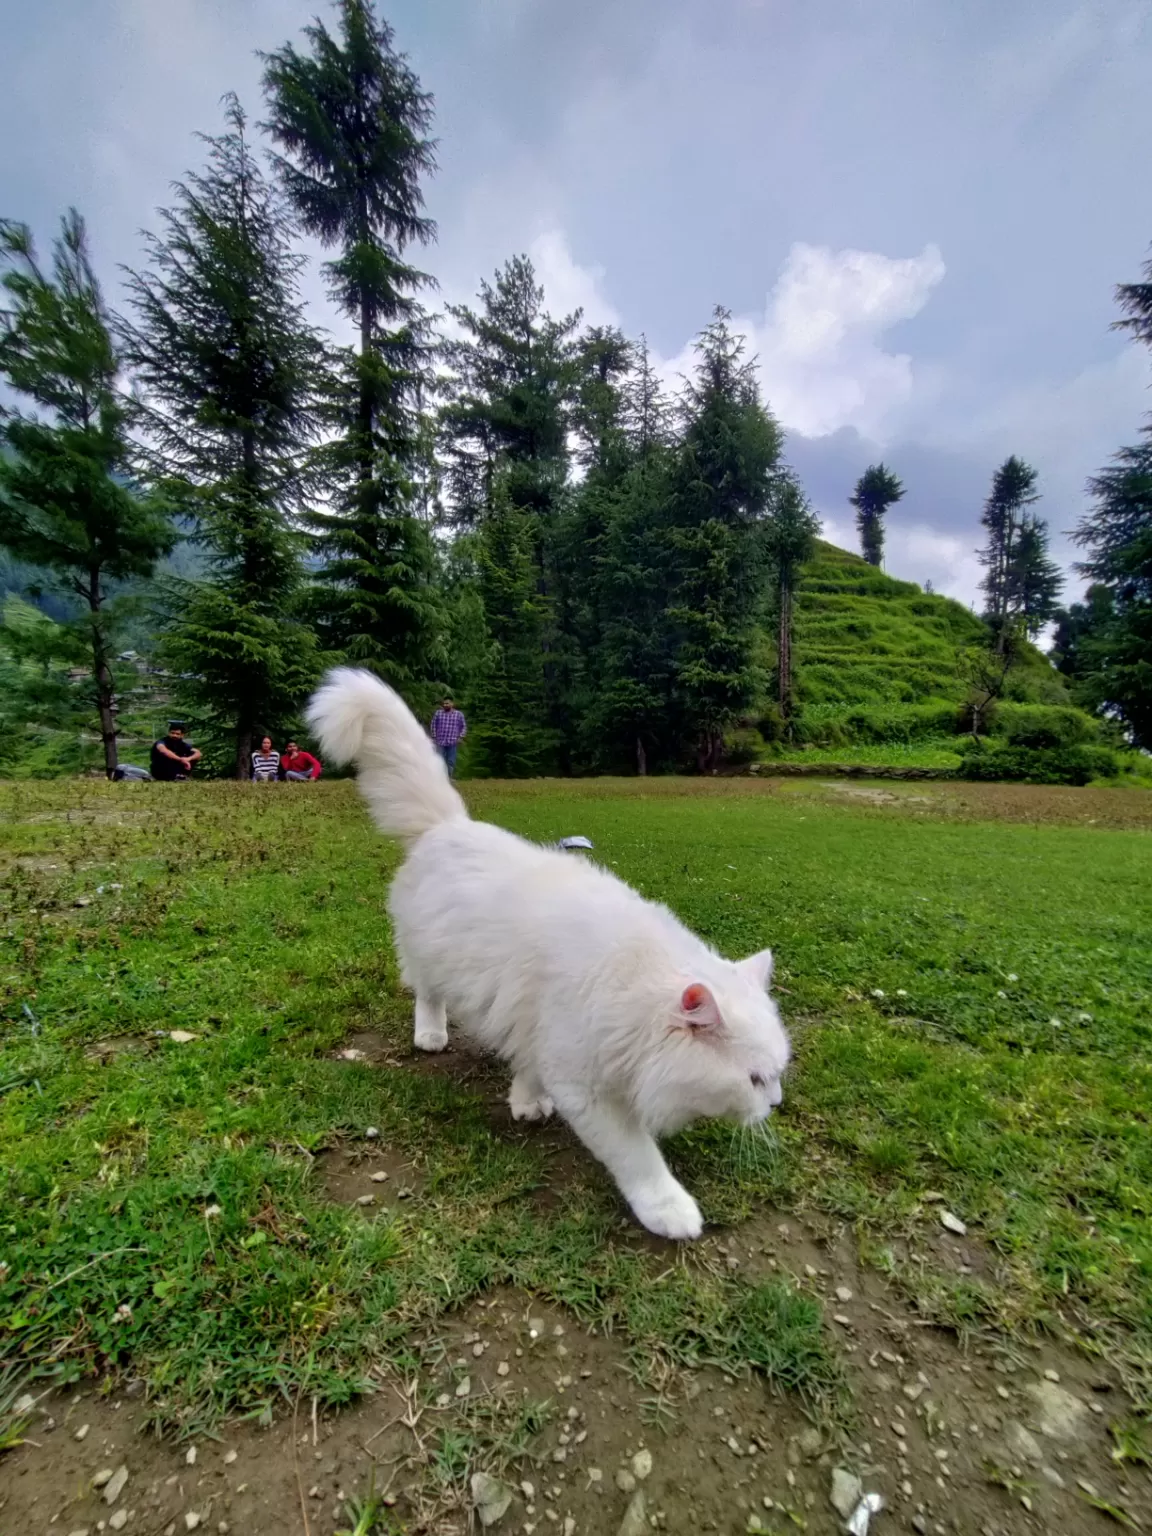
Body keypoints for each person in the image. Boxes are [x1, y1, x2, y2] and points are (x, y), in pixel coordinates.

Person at [429, 697, 466, 777]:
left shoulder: (459, 714)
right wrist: (434, 736)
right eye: (444, 703)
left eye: (447, 703)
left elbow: (463, 726)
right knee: (440, 760)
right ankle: (440, 777)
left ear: (452, 704)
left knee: (451, 761)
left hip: (452, 742)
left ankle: (449, 777)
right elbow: (433, 725)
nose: (445, 705)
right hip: (440, 741)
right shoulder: (438, 713)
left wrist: (460, 737)